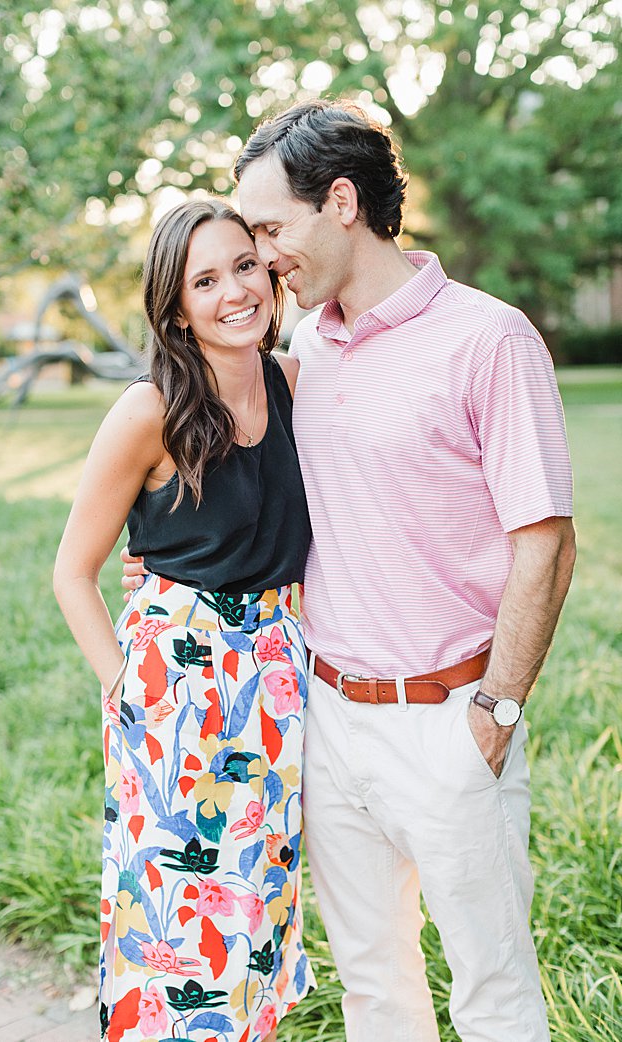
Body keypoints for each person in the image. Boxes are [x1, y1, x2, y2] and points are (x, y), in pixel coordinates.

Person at [124, 100, 574, 1042]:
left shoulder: (489, 338)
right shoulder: (302, 352)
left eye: (272, 232)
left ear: (341, 202)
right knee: (374, 989)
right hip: (323, 723)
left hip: (451, 720)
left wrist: (492, 716)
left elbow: (547, 542)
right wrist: (161, 571)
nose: (265, 258)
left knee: (493, 991)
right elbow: (237, 486)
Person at [55, 198, 315, 1042]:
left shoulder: (294, 382)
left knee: (257, 906)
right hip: (175, 695)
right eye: (206, 280)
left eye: (246, 265)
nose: (235, 291)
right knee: (176, 921)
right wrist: (128, 686)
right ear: (176, 308)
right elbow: (72, 571)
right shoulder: (149, 410)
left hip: (274, 681)